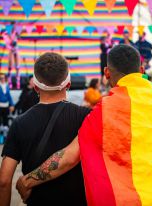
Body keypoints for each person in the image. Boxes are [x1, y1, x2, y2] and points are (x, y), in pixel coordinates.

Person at [16, 45, 152, 205]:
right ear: (141, 71)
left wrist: (27, 180)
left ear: (107, 73)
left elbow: (68, 157)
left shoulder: (105, 111)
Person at [0, 53, 91, 206]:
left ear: (35, 86)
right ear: (68, 84)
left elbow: (4, 180)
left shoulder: (19, 123)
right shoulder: (86, 117)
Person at [1, 21, 20, 89]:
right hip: (10, 50)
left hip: (16, 49)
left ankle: (18, 84)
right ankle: (10, 83)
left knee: (17, 67)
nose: (15, 27)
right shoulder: (6, 33)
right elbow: (7, 43)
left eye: (15, 26)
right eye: (14, 26)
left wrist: (16, 37)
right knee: (10, 67)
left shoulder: (15, 32)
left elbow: (17, 40)